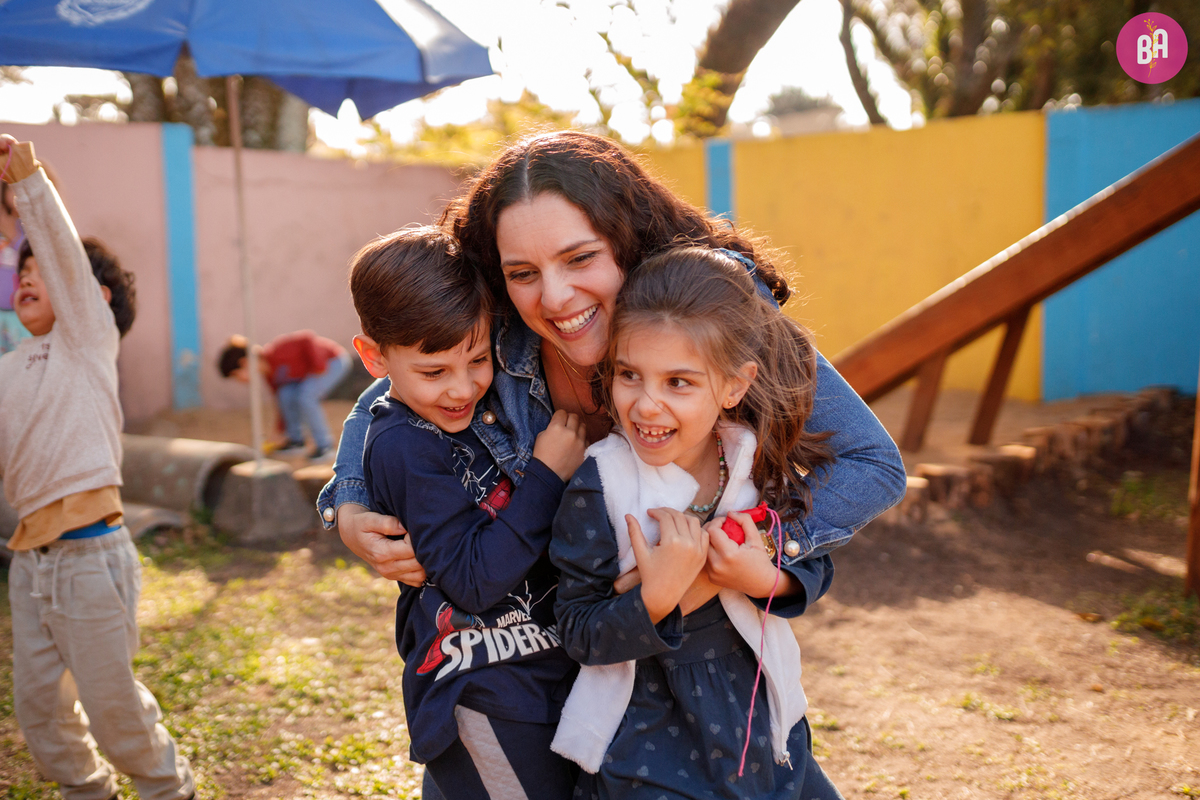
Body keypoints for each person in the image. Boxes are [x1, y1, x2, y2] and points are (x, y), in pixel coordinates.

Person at [318, 130, 906, 591]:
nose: (553, 298)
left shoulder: (712, 305)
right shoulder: (500, 332)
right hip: (549, 659)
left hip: (702, 655)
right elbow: (390, 389)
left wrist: (726, 552)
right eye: (523, 273)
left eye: (579, 259)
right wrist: (349, 500)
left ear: (627, 241)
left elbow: (872, 463)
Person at [550, 246, 844, 799]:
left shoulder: (754, 463)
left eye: (678, 383)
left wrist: (760, 579)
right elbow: (578, 633)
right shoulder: (604, 485)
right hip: (650, 740)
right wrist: (657, 595)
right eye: (629, 375)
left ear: (734, 385)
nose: (646, 405)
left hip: (763, 723)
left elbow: (815, 565)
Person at [348, 226, 587, 798]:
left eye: (478, 360)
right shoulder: (403, 446)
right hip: (480, 691)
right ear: (373, 357)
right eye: (434, 372)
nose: (462, 388)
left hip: (540, 675)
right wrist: (548, 475)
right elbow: (474, 581)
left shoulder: (479, 410)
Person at [0, 135, 194, 800]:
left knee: (113, 710)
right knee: (39, 711)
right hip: (31, 566)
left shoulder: (86, 340)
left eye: (40, 267)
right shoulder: (9, 368)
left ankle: (170, 790)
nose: (27, 273)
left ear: (93, 296)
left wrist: (26, 182)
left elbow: (55, 242)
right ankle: (90, 793)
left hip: (90, 560)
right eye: (18, 268)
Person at [217, 329, 351, 461]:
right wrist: (279, 431)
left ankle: (325, 446)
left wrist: (318, 364)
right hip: (313, 372)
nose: (238, 380)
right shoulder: (270, 377)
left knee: (306, 396)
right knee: (285, 395)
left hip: (333, 361)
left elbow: (306, 339)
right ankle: (296, 441)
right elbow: (281, 405)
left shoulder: (277, 352)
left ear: (244, 363)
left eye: (235, 375)